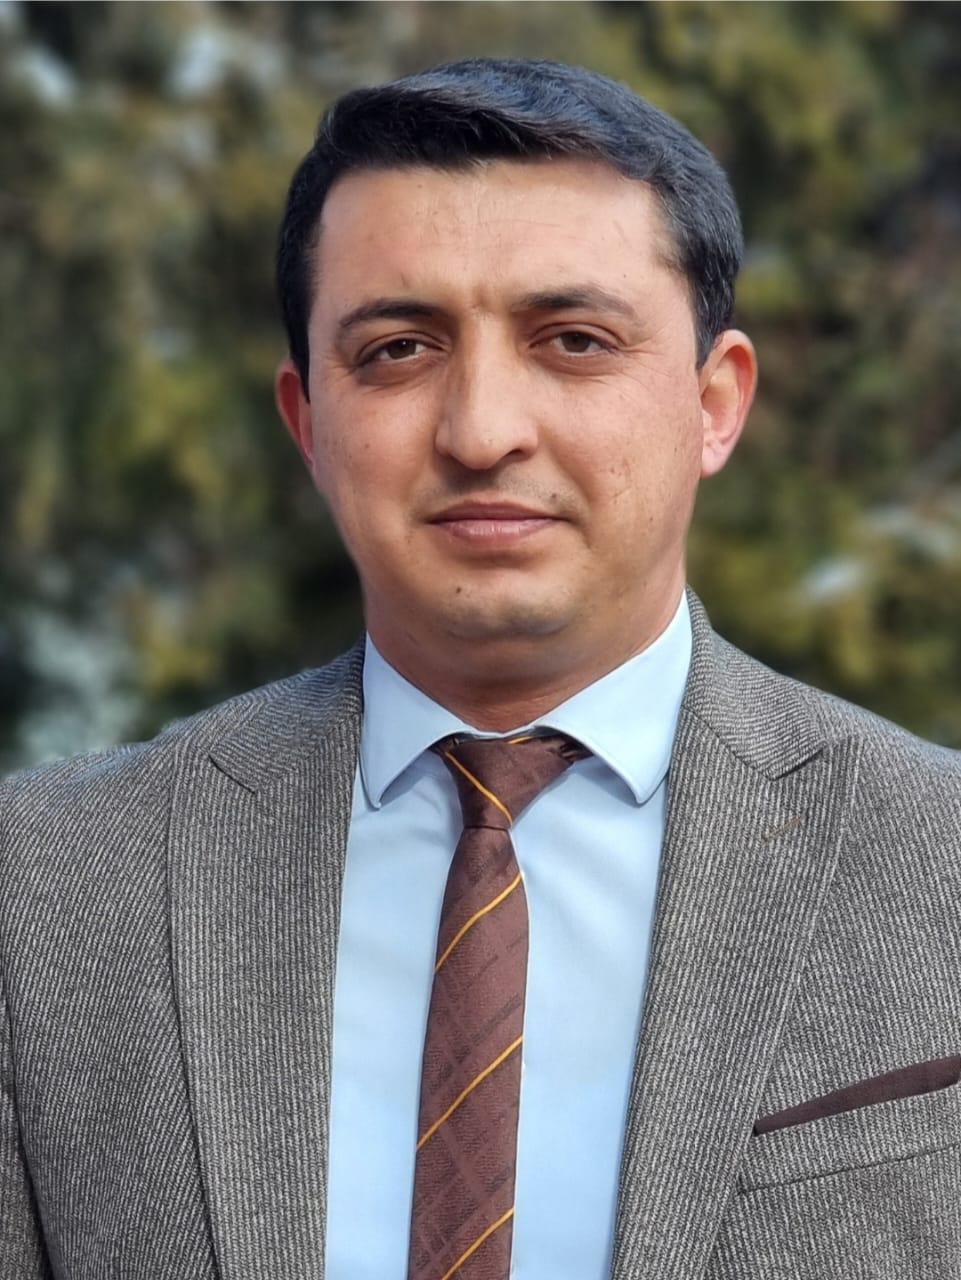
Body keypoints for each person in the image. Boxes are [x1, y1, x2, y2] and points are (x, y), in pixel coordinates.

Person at [1, 56, 959, 1280]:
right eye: (399, 349)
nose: (482, 429)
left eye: (573, 340)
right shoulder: (46, 887)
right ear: (308, 421)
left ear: (714, 403)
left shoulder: (940, 864)